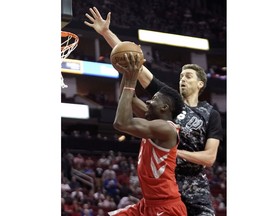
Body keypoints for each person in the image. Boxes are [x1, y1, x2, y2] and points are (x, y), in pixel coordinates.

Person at [84, 6, 223, 216]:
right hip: (163, 187)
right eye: (181, 75)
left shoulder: (208, 112)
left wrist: (175, 152)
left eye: (188, 76)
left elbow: (210, 158)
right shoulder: (164, 99)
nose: (182, 79)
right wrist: (106, 33)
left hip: (192, 187)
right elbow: (134, 63)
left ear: (201, 84)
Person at [109, 52, 187, 215]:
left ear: (164, 108)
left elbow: (121, 123)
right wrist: (129, 72)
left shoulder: (166, 130)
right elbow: (129, 98)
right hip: (148, 204)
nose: (148, 102)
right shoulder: (154, 122)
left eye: (154, 99)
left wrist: (131, 79)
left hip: (166, 207)